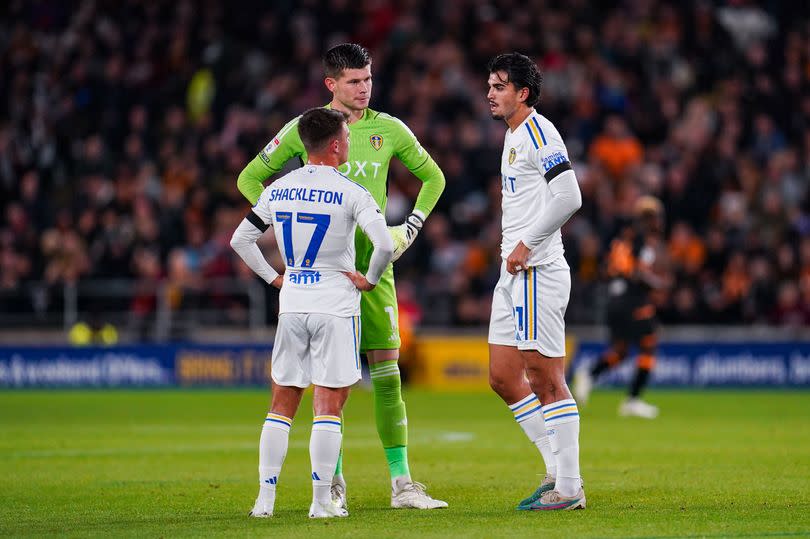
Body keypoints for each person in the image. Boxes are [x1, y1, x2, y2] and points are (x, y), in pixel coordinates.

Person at [236, 43, 447, 510]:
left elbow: (434, 178)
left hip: (375, 266)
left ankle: (402, 484)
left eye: (368, 79)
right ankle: (329, 482)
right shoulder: (306, 129)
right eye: (354, 81)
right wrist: (290, 245)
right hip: (327, 277)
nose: (364, 88)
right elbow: (250, 179)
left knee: (388, 372)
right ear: (331, 84)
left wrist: (409, 229)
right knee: (328, 381)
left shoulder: (388, 128)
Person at [230, 108, 395, 518]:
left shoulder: (279, 188)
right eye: (347, 136)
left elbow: (241, 239)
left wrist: (273, 279)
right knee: (328, 405)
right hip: (335, 306)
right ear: (337, 144)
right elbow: (385, 246)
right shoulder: (352, 191)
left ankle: (264, 501)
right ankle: (321, 502)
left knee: (282, 402)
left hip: (293, 302)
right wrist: (370, 279)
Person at [485, 52, 585, 511]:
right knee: (504, 377)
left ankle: (569, 487)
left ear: (522, 93)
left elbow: (569, 195)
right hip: (513, 272)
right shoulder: (513, 136)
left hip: (535, 270)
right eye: (490, 85)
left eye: (500, 86)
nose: (490, 93)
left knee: (545, 378)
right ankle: (553, 468)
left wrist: (527, 243)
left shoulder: (540, 132)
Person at [574, 196, 671, 418]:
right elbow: (637, 273)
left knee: (622, 351)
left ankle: (589, 373)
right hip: (632, 300)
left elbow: (606, 270)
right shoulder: (642, 240)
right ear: (650, 218)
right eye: (657, 217)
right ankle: (633, 400)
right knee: (649, 343)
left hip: (614, 300)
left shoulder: (623, 238)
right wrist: (658, 284)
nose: (660, 222)